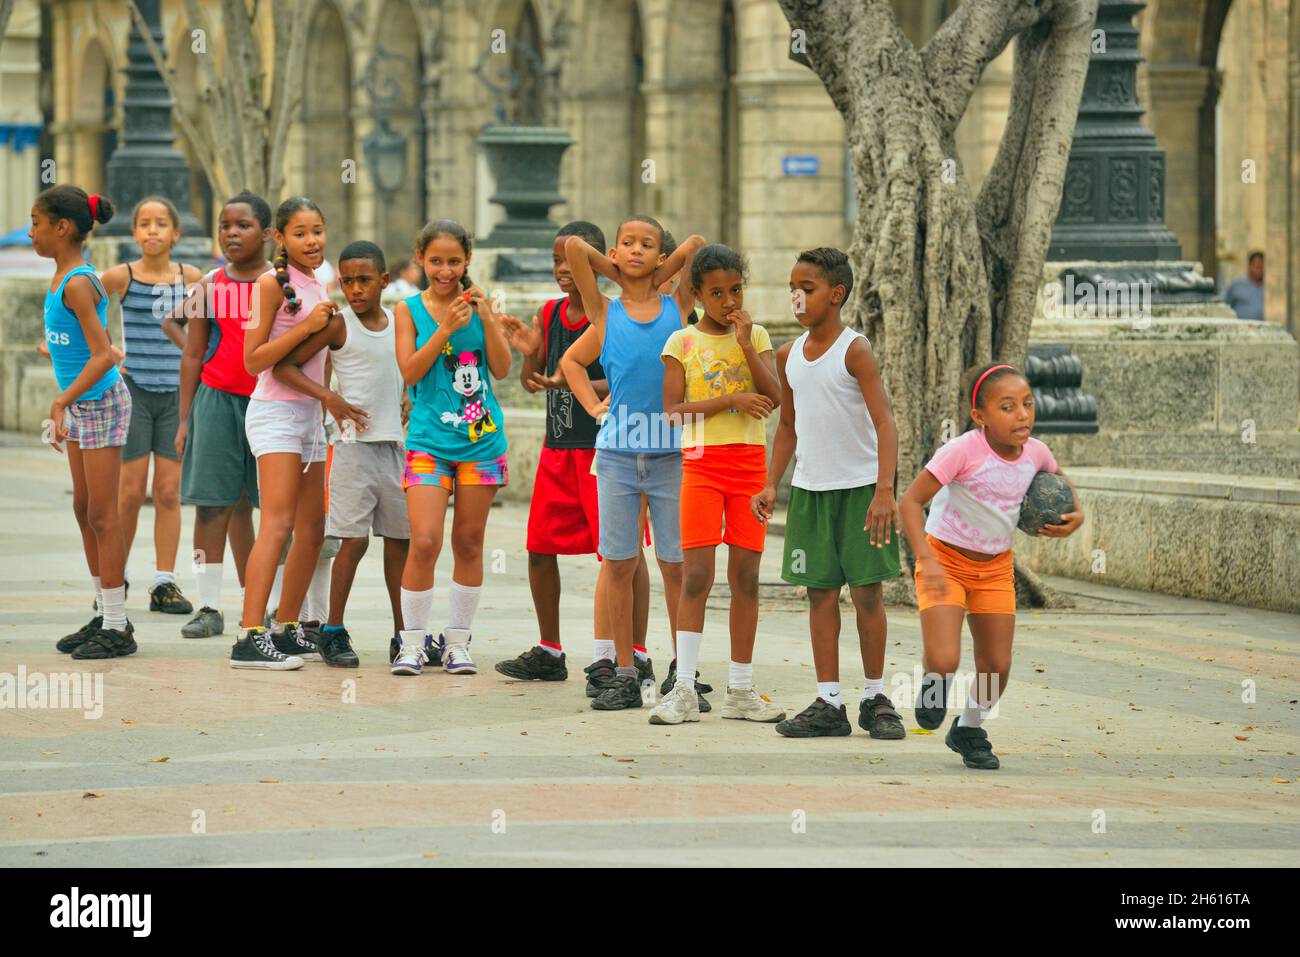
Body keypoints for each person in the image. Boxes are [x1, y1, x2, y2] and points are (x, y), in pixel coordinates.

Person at [752, 247, 906, 739]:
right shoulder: (787, 355)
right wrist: (772, 482)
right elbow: (788, 428)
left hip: (861, 493)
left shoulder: (854, 349)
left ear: (835, 295)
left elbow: (885, 423)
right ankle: (829, 702)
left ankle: (875, 697)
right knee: (819, 596)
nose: (796, 296)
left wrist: (885, 491)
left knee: (867, 596)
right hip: (810, 494)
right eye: (791, 288)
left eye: (808, 288)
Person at [898, 363, 1083, 769]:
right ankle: (934, 685)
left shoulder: (1037, 452)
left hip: (996, 568)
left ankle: (968, 728)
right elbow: (909, 502)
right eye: (1008, 407)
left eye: (1027, 404)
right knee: (945, 660)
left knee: (997, 665)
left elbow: (1064, 485)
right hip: (944, 559)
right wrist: (925, 559)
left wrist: (1076, 516)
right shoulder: (962, 450)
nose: (1022, 415)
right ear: (980, 417)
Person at [559, 215, 705, 711]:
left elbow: (697, 243)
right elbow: (577, 247)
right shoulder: (604, 310)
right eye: (627, 244)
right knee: (618, 563)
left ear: (662, 257)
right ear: (615, 254)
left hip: (671, 455)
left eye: (647, 245)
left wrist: (658, 271)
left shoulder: (676, 306)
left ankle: (683, 675)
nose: (635, 249)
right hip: (618, 454)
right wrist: (620, 271)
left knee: (676, 566)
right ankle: (624, 670)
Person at [652, 243, 786, 725]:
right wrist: (728, 399)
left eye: (735, 290)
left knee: (746, 577)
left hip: (750, 467)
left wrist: (747, 345)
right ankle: (684, 687)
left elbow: (776, 398)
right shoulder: (681, 343)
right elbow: (671, 412)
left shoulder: (759, 335)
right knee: (696, 576)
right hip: (702, 466)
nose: (729, 301)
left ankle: (741, 690)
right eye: (717, 293)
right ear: (697, 294)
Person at [494, 221, 620, 682]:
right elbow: (534, 383)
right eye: (555, 259)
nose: (562, 268)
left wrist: (578, 378)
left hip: (602, 451)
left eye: (573, 259)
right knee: (539, 547)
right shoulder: (549, 314)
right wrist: (531, 354)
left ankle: (621, 653)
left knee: (616, 554)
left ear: (599, 262)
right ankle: (549, 649)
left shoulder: (613, 315)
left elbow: (631, 378)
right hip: (558, 448)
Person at [274, 240, 408, 667]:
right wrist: (328, 397)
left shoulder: (402, 324)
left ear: (384, 281)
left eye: (365, 280)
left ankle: (406, 633)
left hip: (398, 447)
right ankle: (333, 628)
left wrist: (413, 398)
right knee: (352, 541)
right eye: (347, 281)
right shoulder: (337, 325)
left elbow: (408, 367)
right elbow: (286, 367)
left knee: (401, 543)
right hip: (351, 448)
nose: (355, 289)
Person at [391, 220, 512, 676]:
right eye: (436, 261)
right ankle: (413, 644)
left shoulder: (482, 304)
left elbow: (500, 369)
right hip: (428, 440)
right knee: (424, 541)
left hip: (481, 441)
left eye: (454, 261)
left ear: (467, 262)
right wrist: (444, 329)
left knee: (468, 540)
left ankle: (458, 643)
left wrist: (487, 320)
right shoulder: (408, 310)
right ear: (420, 259)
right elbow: (410, 372)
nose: (445, 271)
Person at [231, 196, 345, 670]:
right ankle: (249, 635)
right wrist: (309, 328)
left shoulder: (319, 281)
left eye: (317, 230)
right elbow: (253, 359)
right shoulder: (268, 284)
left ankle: (287, 626)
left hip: (310, 417)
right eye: (300, 232)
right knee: (276, 524)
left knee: (313, 530)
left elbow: (326, 351)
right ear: (280, 238)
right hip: (275, 413)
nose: (312, 240)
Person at [33, 186, 134, 659]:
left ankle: (117, 626)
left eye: (36, 222)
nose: (31, 231)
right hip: (83, 404)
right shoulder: (60, 280)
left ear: (62, 228)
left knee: (102, 514)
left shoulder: (78, 281)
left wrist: (61, 402)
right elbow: (86, 344)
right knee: (82, 509)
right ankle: (105, 607)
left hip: (101, 403)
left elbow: (103, 356)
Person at [166, 192, 272, 640]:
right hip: (216, 401)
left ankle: (263, 606)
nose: (231, 233)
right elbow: (192, 353)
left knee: (271, 510)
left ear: (267, 234)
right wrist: (186, 418)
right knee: (211, 506)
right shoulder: (209, 285)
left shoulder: (284, 283)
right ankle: (209, 605)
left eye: (242, 225)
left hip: (272, 404)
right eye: (224, 225)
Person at [99, 196, 201, 616]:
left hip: (177, 396)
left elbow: (205, 332)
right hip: (134, 393)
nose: (153, 230)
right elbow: (80, 309)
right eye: (144, 223)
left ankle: (164, 582)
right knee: (128, 493)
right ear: (135, 233)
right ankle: (114, 577)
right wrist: (105, 351)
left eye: (161, 223)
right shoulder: (119, 277)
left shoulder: (193, 278)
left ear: (176, 233)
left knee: (168, 492)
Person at [1224, 251, 1264, 321]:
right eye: (1257, 266)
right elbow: (1226, 307)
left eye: (1262, 267)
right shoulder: (1236, 285)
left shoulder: (1268, 288)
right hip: (1240, 329)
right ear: (1250, 266)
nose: (1260, 270)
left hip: (1264, 329)